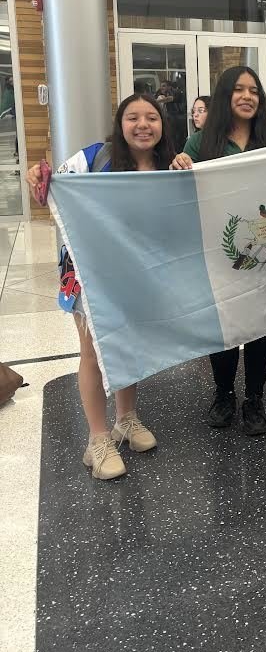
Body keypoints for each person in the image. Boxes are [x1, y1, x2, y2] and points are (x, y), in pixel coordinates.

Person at [25, 93, 174, 480]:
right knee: (93, 349)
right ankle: (97, 439)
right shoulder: (95, 158)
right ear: (119, 124)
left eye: (152, 118)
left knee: (128, 342)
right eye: (133, 117)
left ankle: (126, 418)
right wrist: (37, 176)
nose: (143, 125)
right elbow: (47, 190)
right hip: (90, 270)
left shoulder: (168, 165)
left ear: (163, 125)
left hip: (138, 271)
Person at [171, 66, 266, 437]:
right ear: (225, 96)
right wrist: (177, 167)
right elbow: (179, 193)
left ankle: (255, 399)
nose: (248, 96)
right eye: (239, 89)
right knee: (221, 328)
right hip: (219, 254)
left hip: (262, 252)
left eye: (254, 90)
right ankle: (224, 394)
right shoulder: (200, 143)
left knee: (258, 327)